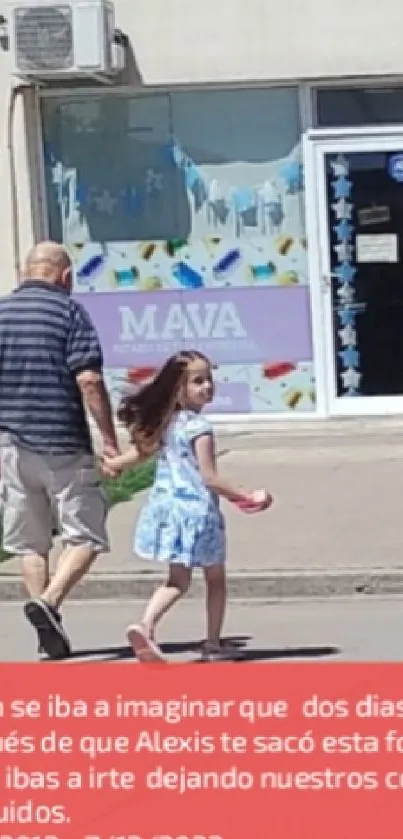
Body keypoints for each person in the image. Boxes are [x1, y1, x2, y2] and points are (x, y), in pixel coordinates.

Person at [103, 349, 270, 662]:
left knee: (177, 580)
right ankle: (212, 643)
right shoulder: (199, 428)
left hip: (168, 511)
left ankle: (146, 625)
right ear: (177, 389)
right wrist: (247, 495)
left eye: (209, 379)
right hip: (199, 514)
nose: (207, 386)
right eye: (198, 381)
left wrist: (115, 465)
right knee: (215, 579)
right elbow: (210, 478)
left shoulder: (168, 423)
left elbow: (141, 453)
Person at [0, 241, 119, 660]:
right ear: (65, 275)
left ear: (25, 269)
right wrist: (108, 438)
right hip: (62, 441)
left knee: (30, 541)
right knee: (86, 533)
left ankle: (47, 631)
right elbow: (89, 380)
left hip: (10, 444)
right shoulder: (70, 312)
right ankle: (48, 604)